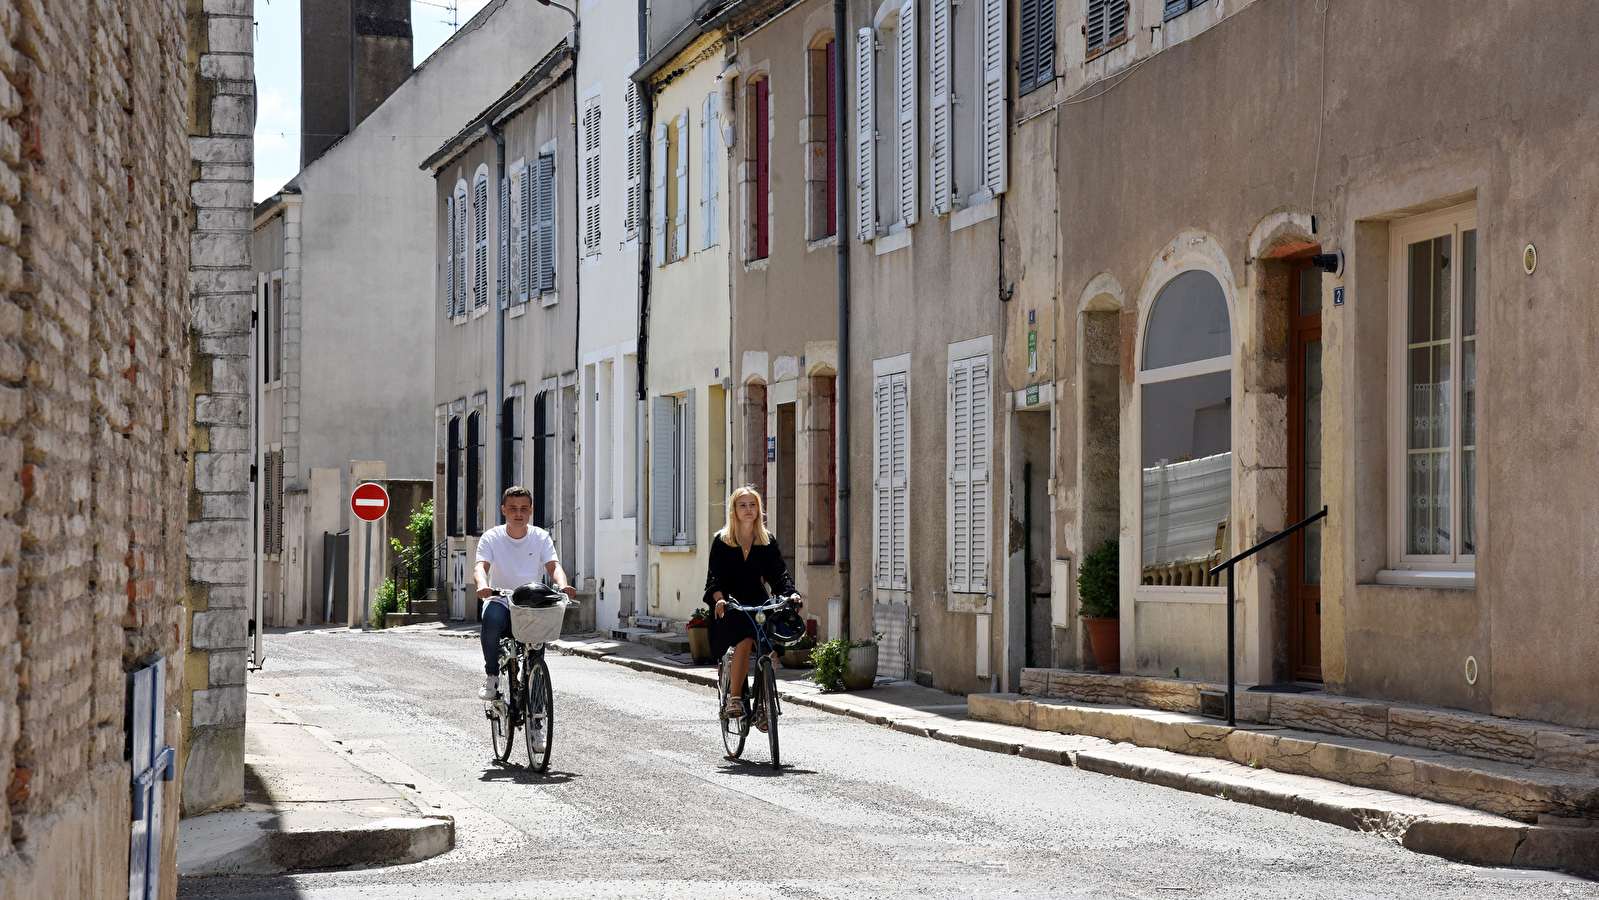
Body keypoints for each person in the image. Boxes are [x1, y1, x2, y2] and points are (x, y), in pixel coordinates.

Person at [703, 485, 800, 731]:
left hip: (758, 601)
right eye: (743, 505)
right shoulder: (722, 541)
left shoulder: (766, 541)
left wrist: (791, 594)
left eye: (753, 505)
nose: (748, 510)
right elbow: (714, 578)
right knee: (745, 639)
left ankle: (763, 707)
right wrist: (720, 599)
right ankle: (735, 697)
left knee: (770, 645)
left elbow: (780, 576)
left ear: (759, 510)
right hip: (731, 603)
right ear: (734, 510)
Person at [474, 486, 576, 700]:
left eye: (523, 508)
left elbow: (553, 566)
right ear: (503, 510)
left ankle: (537, 722)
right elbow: (480, 567)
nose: (518, 513)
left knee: (536, 660)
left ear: (530, 511)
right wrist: (483, 586)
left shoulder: (540, 537)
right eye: (512, 508)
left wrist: (563, 585)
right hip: (501, 599)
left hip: (531, 604)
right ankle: (492, 676)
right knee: (491, 619)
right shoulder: (491, 537)